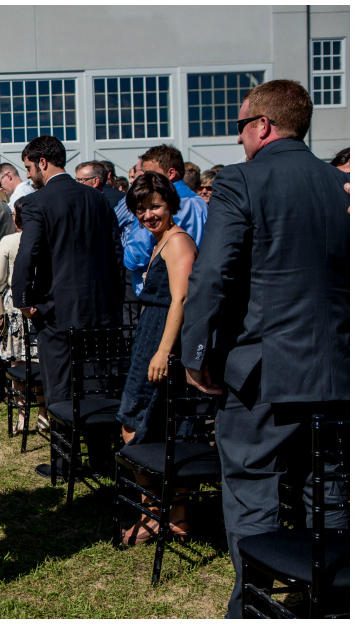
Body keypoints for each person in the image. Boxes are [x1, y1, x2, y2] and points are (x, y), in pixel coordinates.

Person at [180, 79, 350, 619]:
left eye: (239, 126)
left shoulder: (242, 182)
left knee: (253, 491)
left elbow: (212, 276)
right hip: (333, 370)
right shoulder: (336, 183)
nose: (238, 140)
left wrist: (196, 353)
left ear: (264, 126)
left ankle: (252, 604)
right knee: (325, 489)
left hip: (261, 371)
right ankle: (326, 595)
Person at [8, 134, 122, 482]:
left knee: (59, 387)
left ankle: (64, 464)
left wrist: (23, 300)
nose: (28, 176)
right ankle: (102, 458)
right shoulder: (98, 199)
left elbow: (28, 257)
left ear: (43, 162)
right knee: (98, 384)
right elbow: (115, 252)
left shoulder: (37, 203)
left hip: (57, 313)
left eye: (29, 167)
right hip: (101, 311)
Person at [114, 173, 198, 545]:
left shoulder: (178, 242)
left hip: (160, 343)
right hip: (150, 337)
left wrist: (163, 351)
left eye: (155, 206)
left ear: (170, 205)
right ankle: (166, 513)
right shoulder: (159, 241)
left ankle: (162, 514)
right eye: (141, 208)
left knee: (137, 424)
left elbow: (181, 300)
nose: (148, 214)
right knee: (142, 423)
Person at [0, 198, 46, 432]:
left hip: (17, 302)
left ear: (17, 217)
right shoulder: (47, 238)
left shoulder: (10, 241)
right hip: (41, 302)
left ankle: (22, 414)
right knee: (41, 360)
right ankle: (44, 414)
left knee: (18, 359)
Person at [123, 144, 207, 297]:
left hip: (161, 291)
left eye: (149, 174)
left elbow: (135, 256)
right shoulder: (201, 203)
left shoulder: (153, 209)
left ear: (170, 173)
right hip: (197, 287)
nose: (144, 179)